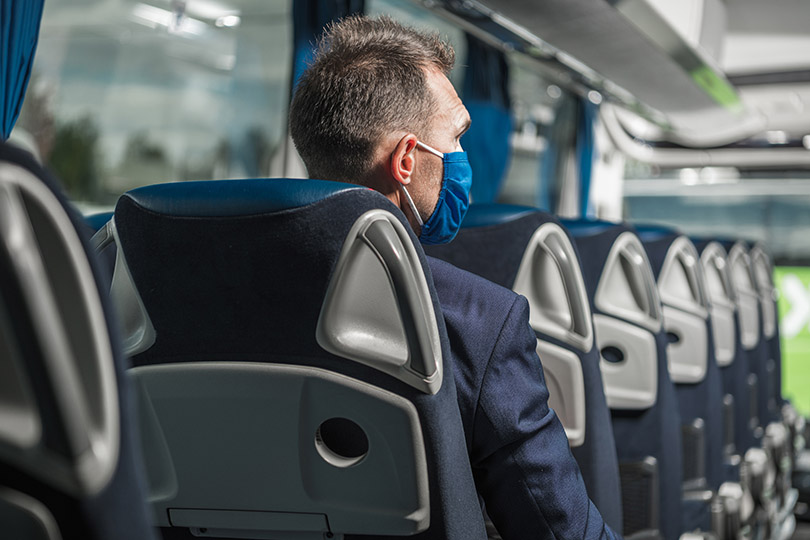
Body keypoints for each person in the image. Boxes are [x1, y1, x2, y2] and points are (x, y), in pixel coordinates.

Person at [289, 15, 621, 540]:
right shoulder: (476, 321)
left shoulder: (183, 290)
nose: (463, 159)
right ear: (405, 160)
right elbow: (558, 527)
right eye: (457, 138)